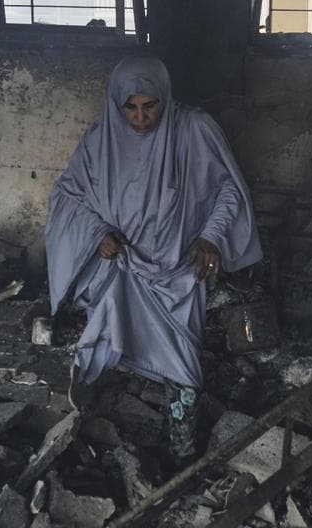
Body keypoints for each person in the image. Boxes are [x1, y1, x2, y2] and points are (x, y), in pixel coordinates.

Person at [45, 57, 261, 463]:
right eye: (131, 107)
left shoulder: (193, 128)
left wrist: (211, 237)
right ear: (116, 104)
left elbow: (229, 190)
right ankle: (96, 435)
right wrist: (97, 234)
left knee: (182, 364)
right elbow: (67, 196)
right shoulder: (100, 139)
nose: (142, 118)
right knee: (107, 332)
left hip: (180, 270)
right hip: (124, 266)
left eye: (151, 106)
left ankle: (183, 456)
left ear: (165, 98)